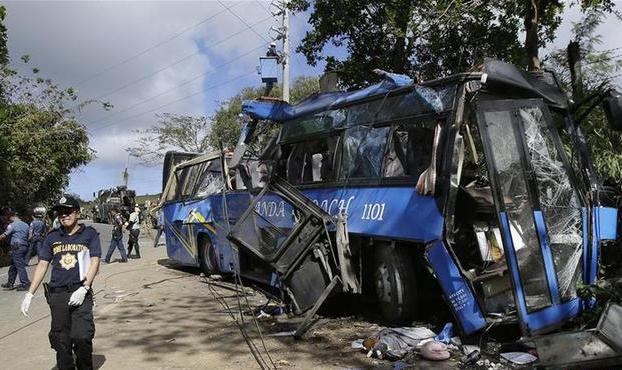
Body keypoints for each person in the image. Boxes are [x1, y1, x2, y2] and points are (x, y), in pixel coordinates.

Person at [20, 195, 101, 370]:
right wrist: (30, 293)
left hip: (81, 292)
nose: (64, 215)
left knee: (81, 336)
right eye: (60, 213)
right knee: (61, 340)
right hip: (57, 295)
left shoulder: (89, 234)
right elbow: (42, 265)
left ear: (77, 213)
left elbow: (95, 261)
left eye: (68, 211)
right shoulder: (52, 237)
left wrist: (85, 287)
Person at [1, 212, 32, 290]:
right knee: (13, 266)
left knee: (20, 266)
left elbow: (5, 235)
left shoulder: (12, 225)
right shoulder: (26, 225)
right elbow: (30, 236)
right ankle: (10, 283)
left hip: (17, 247)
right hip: (24, 246)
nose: (9, 220)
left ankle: (25, 283)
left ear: (12, 217)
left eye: (9, 219)